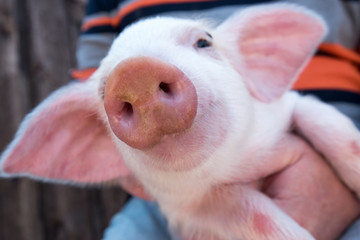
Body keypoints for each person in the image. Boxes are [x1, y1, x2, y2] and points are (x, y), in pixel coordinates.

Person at [72, 0, 360, 239]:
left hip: (336, 169)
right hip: (169, 197)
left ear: (261, 51)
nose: (149, 101)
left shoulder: (257, 69)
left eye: (201, 43)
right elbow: (95, 95)